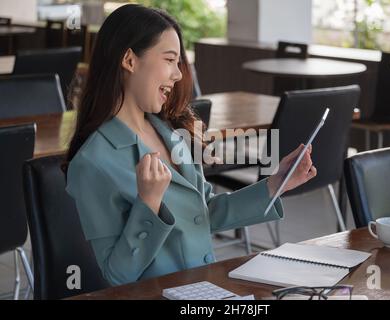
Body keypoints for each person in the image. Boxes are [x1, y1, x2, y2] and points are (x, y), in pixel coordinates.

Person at [64, 4, 317, 286]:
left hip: (202, 289)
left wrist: (276, 184)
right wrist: (149, 203)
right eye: (170, 60)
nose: (178, 74)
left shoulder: (169, 131)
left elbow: (205, 212)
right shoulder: (92, 163)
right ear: (129, 60)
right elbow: (116, 275)